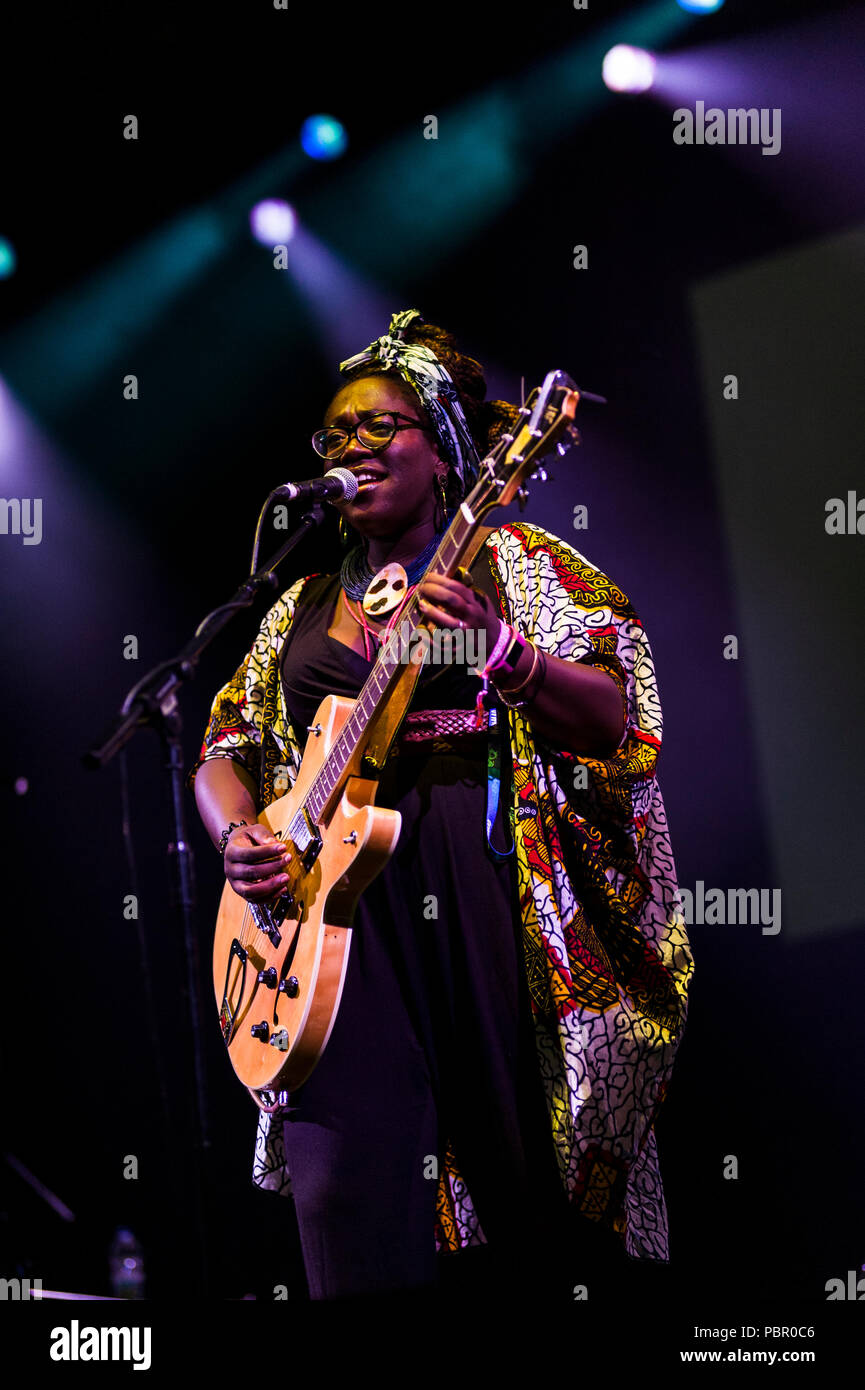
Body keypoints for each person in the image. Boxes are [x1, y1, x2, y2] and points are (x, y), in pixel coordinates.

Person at [187, 309, 693, 1303]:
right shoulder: (299, 606)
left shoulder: (517, 566)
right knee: (344, 1206)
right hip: (331, 933)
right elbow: (223, 742)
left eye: (379, 426)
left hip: (486, 893)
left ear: (447, 444)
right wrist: (238, 832)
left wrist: (504, 655)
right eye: (334, 434)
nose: (351, 448)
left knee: (530, 1196)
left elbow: (614, 716)